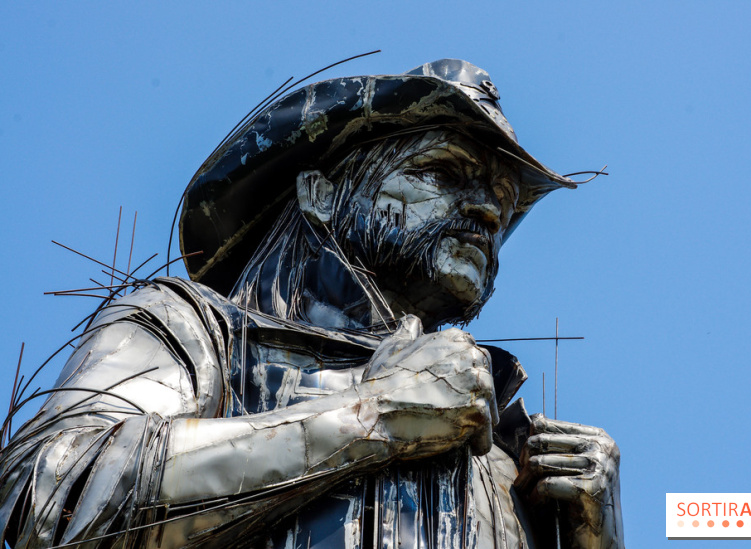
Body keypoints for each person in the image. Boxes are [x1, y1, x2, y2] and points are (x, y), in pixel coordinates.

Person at [0, 59, 623, 548]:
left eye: (502, 198)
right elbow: (51, 501)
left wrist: (596, 537)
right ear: (321, 194)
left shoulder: (508, 456)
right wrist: (371, 417)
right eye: (443, 173)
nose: (489, 211)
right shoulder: (197, 330)